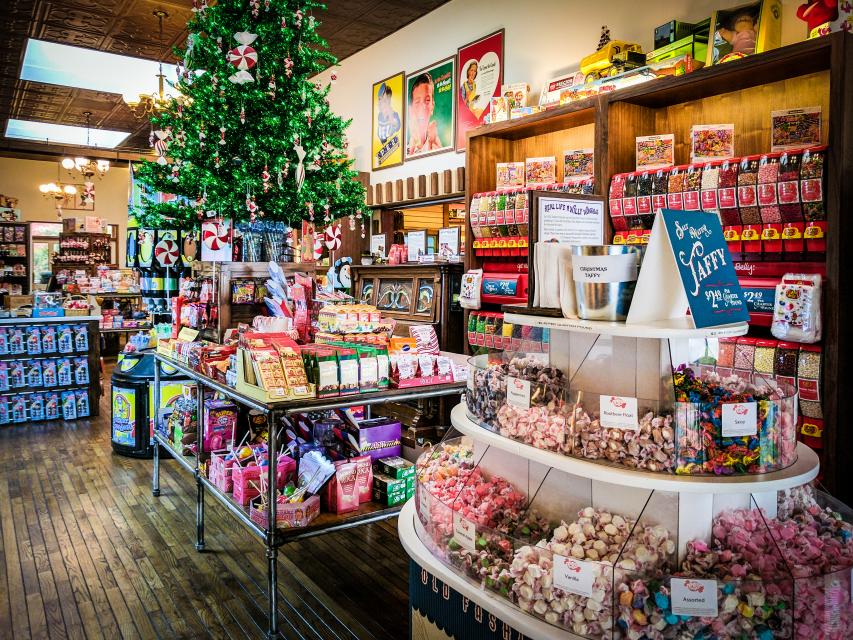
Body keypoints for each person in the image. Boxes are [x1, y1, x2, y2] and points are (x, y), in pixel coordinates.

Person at [407, 72, 443, 155]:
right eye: (417, 102)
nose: (422, 108)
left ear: (432, 107)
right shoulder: (403, 149)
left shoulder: (437, 147)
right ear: (411, 110)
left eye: (427, 101)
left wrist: (430, 144)